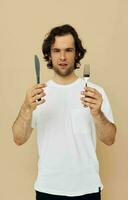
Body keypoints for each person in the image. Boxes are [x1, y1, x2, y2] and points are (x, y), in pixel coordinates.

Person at [12, 24, 116, 200]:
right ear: (49, 55)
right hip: (48, 188)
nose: (62, 57)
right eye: (56, 50)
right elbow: (18, 139)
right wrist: (26, 108)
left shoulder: (94, 92)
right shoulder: (38, 94)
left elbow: (110, 139)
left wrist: (98, 114)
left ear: (77, 54)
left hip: (87, 188)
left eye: (68, 50)